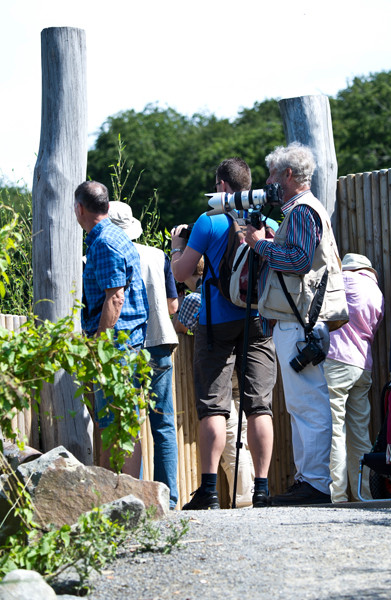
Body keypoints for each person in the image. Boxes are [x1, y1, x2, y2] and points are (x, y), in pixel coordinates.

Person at [245, 142, 348, 506]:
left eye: (273, 173)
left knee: (309, 406)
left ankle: (316, 485)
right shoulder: (305, 210)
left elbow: (300, 261)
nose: (269, 181)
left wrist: (259, 244)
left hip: (298, 323)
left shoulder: (302, 211)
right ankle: (310, 480)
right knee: (306, 405)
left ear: (288, 175)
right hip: (301, 322)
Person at [171, 157, 277, 510]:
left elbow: (184, 270)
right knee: (259, 406)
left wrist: (175, 250)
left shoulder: (209, 220)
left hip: (216, 322)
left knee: (213, 407)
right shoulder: (267, 221)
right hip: (258, 319)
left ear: (221, 186)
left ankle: (209, 491)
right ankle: (261, 489)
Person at [108, 201, 180, 509]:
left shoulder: (101, 255)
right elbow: (174, 306)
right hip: (160, 341)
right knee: (163, 423)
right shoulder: (158, 255)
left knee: (126, 423)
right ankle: (169, 498)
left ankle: (131, 497)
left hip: (123, 347)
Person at [74, 181, 148, 479]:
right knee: (123, 422)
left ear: (80, 209)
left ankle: (117, 497)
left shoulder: (103, 242)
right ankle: (129, 493)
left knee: (113, 424)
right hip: (126, 342)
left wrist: (98, 347)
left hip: (116, 345)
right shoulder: (116, 236)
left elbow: (114, 297)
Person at [172, 262, 255, 508]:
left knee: (231, 441)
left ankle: (243, 500)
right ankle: (249, 494)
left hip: (221, 379)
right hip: (242, 375)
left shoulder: (195, 298)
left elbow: (180, 327)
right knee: (240, 437)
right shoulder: (226, 291)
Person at [324, 253, 384, 502]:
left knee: (335, 429)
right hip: (363, 365)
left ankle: (337, 495)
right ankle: (364, 495)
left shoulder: (342, 280)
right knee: (360, 433)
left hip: (337, 360)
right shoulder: (376, 292)